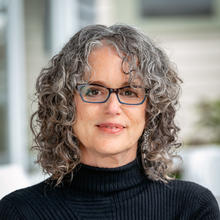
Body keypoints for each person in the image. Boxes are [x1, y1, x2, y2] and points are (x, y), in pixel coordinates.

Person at [0, 24, 219, 220]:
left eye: (129, 91)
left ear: (151, 108)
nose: (113, 107)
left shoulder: (192, 208)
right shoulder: (18, 212)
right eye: (94, 90)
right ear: (64, 103)